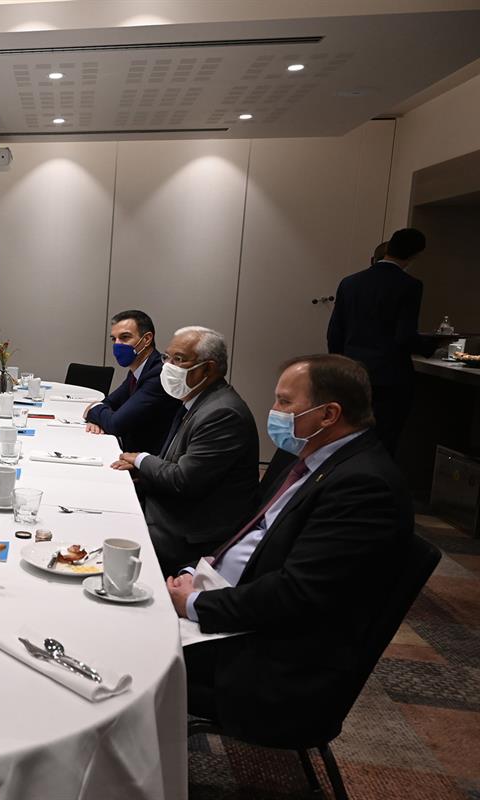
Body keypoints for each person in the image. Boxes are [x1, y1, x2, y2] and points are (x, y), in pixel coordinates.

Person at [167, 354, 412, 746]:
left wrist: (194, 605)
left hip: (275, 658)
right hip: (238, 605)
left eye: (284, 402)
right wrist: (195, 572)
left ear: (329, 414)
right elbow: (253, 534)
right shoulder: (310, 458)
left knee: (127, 647)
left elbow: (297, 593)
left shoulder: (365, 486)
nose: (273, 411)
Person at [111, 326, 258, 575]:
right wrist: (143, 470)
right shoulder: (197, 400)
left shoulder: (222, 413)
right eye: (166, 357)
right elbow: (180, 465)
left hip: (186, 533)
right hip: (170, 508)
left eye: (178, 360)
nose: (167, 365)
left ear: (208, 369)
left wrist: (141, 460)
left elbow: (182, 480)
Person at [327, 228, 434, 453]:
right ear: (415, 255)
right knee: (384, 439)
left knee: (347, 435)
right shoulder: (410, 285)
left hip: (353, 373)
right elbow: (404, 336)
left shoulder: (350, 283)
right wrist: (431, 347)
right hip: (390, 376)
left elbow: (335, 332)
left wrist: (340, 367)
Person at [82, 310, 180, 455]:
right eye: (114, 339)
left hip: (147, 463)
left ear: (147, 339)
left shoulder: (158, 374)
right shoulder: (138, 369)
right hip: (130, 452)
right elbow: (109, 402)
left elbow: (115, 424)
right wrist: (98, 418)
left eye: (125, 337)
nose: (117, 345)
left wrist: (93, 410)